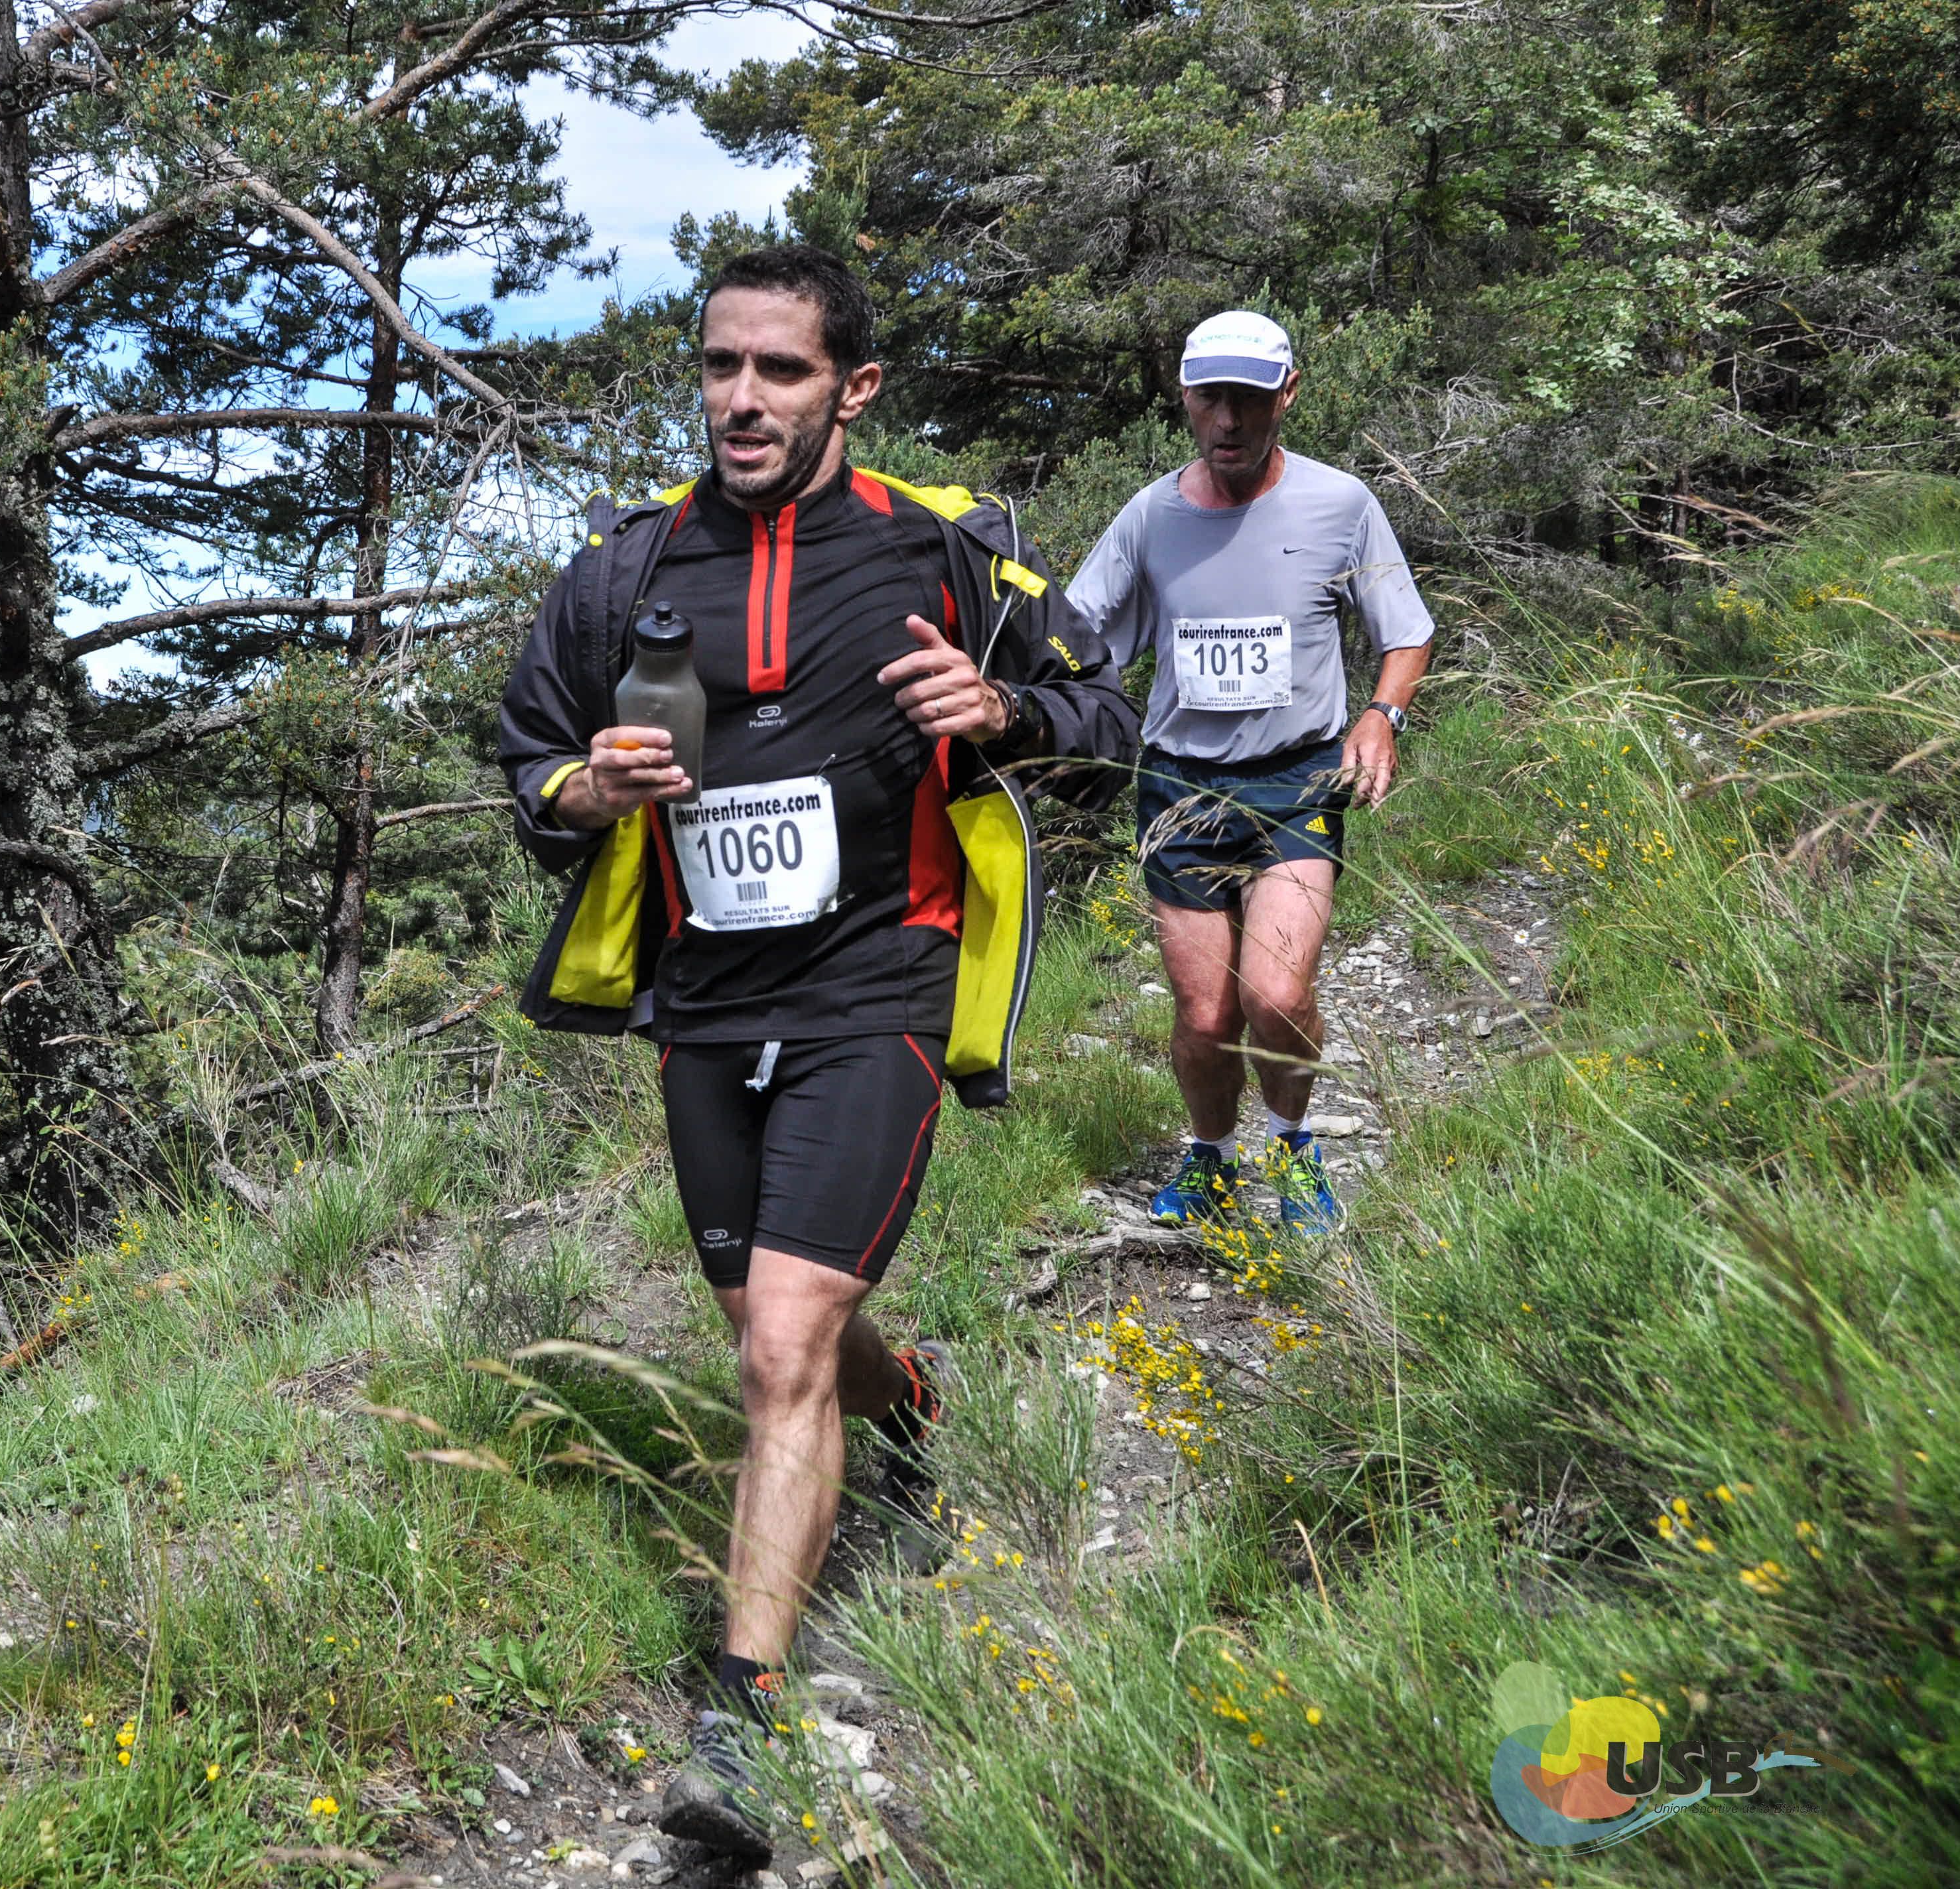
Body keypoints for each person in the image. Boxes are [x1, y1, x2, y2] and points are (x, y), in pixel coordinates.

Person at [498, 243, 1138, 1860]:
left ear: (851, 387)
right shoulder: (624, 567)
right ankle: (903, 1401)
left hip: (881, 981)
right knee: (779, 1329)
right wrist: (587, 790)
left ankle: (742, 1727)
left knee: (779, 1346)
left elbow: (1104, 722)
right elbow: (528, 765)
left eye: (777, 369)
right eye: (719, 365)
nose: (739, 398)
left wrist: (1002, 716)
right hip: (704, 1000)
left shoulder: (947, 549)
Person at [1065, 310, 1436, 1236]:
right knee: (1204, 1014)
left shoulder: (1341, 505)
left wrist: (1381, 716)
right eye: (1209, 399)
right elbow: (1074, 637)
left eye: (1248, 399)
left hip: (1296, 781)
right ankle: (1211, 1159)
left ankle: (1294, 1148)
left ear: (1288, 396)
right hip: (1180, 789)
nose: (1227, 420)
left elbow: (1407, 632)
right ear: (1185, 398)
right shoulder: (1150, 517)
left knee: (1274, 996)